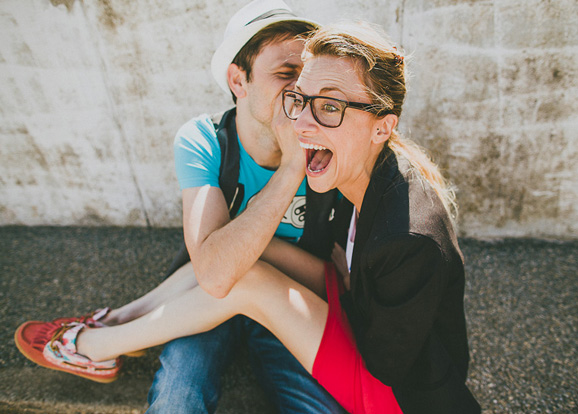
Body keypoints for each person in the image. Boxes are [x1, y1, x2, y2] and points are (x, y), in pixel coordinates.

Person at [15, 20, 482, 414]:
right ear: (240, 81)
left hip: (391, 390)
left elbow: (386, 360)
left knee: (251, 284)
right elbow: (219, 267)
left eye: (330, 106)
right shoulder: (361, 167)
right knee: (243, 262)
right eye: (301, 95)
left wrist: (299, 311)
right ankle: (113, 324)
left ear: (384, 124)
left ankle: (91, 348)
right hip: (353, 303)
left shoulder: (407, 233)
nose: (301, 120)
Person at [14, 1, 344, 413]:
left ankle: (104, 331)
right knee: (176, 397)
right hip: (203, 296)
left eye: (309, 77)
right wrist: (291, 167)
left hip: (290, 299)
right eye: (285, 74)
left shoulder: (332, 144)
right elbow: (215, 275)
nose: (302, 91)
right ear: (237, 80)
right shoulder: (205, 139)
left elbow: (339, 278)